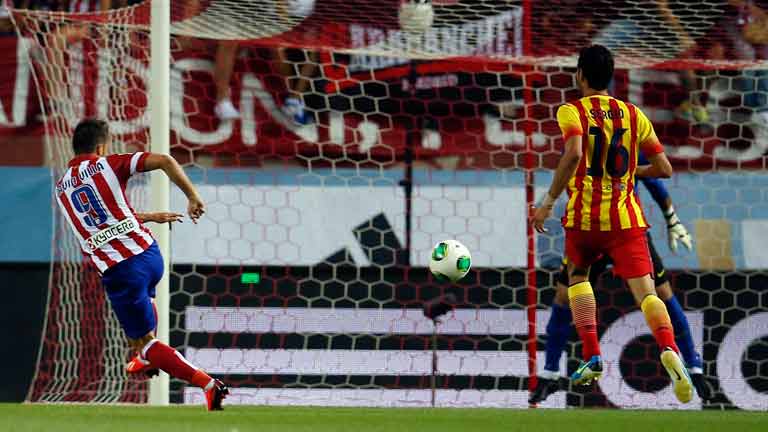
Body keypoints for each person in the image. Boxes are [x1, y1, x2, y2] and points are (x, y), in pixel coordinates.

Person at [532, 45, 693, 403]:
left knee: (577, 278)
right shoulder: (634, 115)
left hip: (584, 220)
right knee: (648, 294)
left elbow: (573, 153)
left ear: (580, 76)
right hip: (625, 220)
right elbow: (664, 168)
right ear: (612, 77)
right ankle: (670, 349)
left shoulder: (571, 111)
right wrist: (627, 172)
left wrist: (547, 203)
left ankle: (592, 355)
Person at [54, 119, 228, 410]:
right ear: (101, 146)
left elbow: (96, 226)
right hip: (149, 254)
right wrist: (191, 197)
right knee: (142, 327)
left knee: (144, 340)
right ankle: (143, 357)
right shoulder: (108, 165)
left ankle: (208, 385)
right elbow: (164, 160)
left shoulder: (62, 189)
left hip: (122, 270)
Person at [529, 172, 713, 405]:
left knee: (571, 293)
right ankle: (550, 374)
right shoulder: (630, 137)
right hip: (624, 229)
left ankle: (693, 368)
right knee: (655, 295)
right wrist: (670, 218)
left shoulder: (583, 139)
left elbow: (653, 179)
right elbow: (659, 173)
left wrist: (548, 203)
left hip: (594, 230)